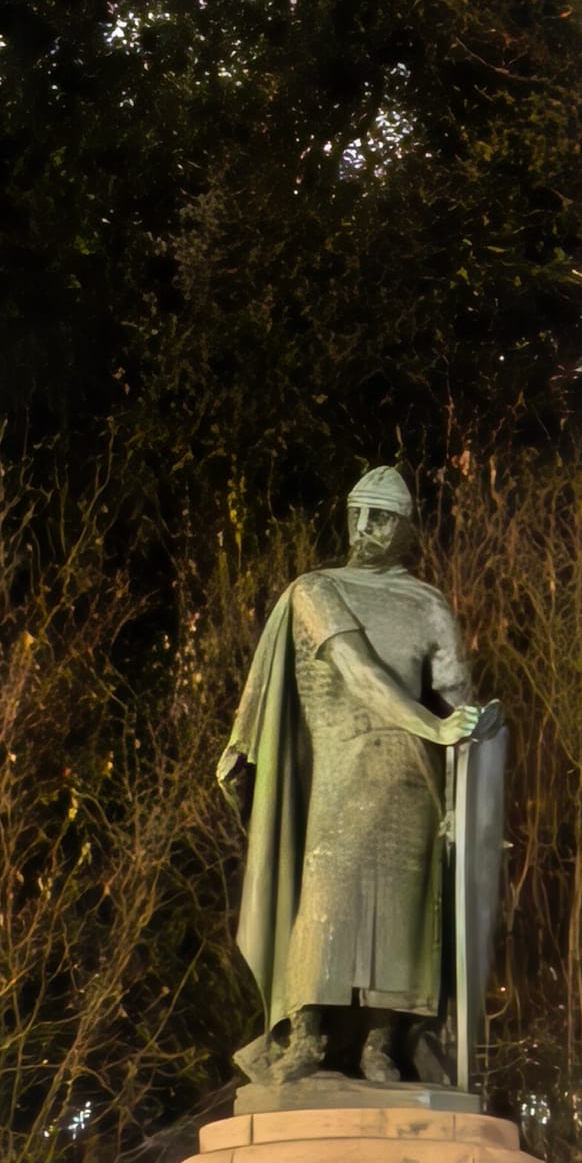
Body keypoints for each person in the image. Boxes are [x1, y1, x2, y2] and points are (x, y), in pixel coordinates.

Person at [219, 465, 495, 1086]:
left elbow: (462, 704)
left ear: (407, 529)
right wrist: (437, 727)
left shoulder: (428, 604)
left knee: (402, 911)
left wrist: (471, 790)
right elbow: (358, 671)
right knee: (326, 895)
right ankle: (306, 1036)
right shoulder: (315, 590)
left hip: (412, 779)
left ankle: (381, 1044)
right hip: (339, 771)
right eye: (357, 515)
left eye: (382, 518)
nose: (365, 528)